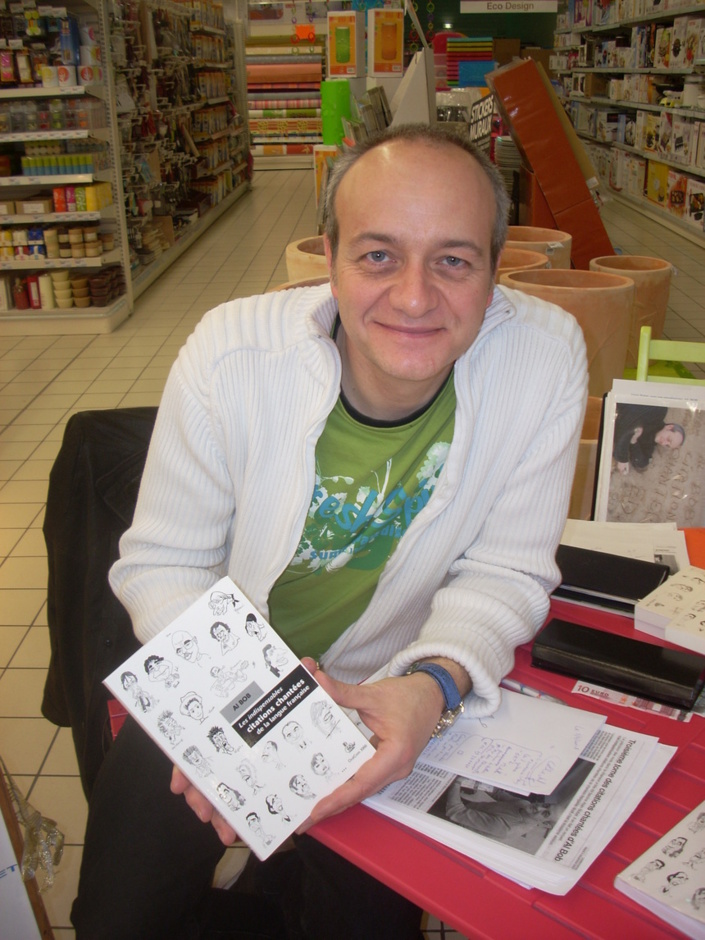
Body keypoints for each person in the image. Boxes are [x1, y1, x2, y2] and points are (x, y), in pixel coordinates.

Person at [71, 123, 587, 939]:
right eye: (378, 255)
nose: (413, 297)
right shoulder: (231, 352)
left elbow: (506, 572)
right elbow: (162, 564)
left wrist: (433, 686)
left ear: (494, 271)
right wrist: (254, 712)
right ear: (330, 259)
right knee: (118, 919)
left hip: (387, 690)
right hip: (215, 680)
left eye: (453, 260)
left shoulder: (543, 359)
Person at [613, 402, 685, 474]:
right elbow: (628, 422)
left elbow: (642, 462)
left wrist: (634, 441)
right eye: (668, 439)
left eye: (667, 445)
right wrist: (622, 458)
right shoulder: (658, 412)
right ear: (669, 427)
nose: (664, 443)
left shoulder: (650, 445)